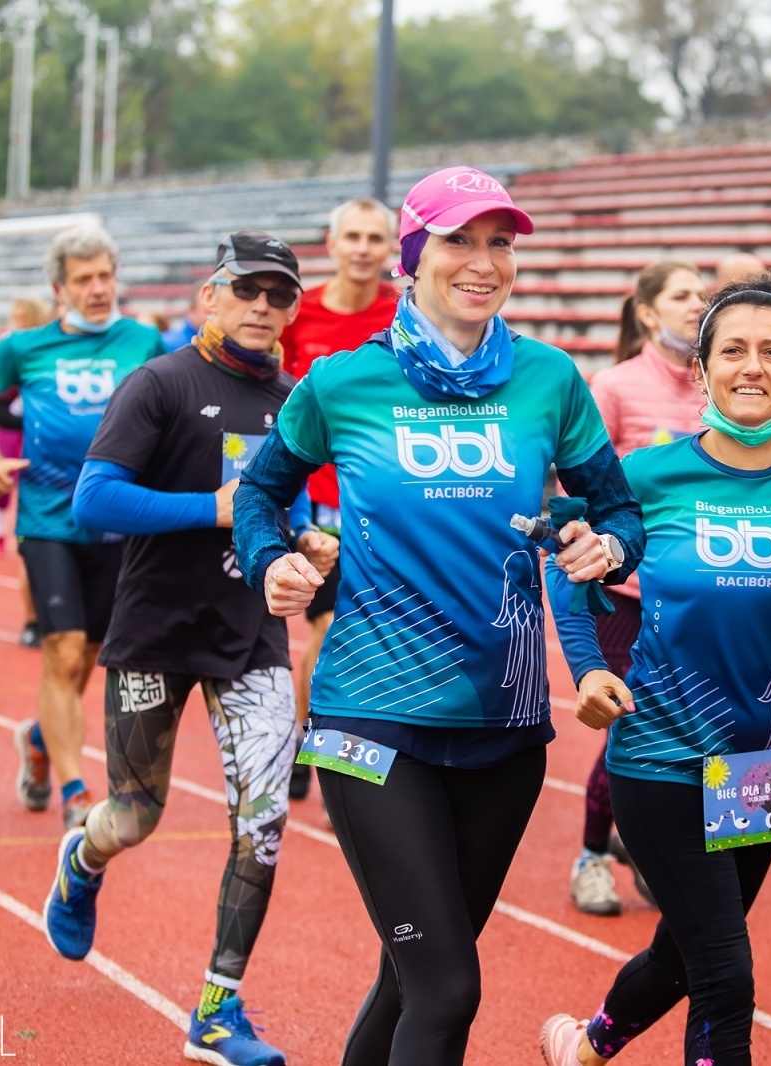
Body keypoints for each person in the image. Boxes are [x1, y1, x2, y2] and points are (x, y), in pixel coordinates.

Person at [233, 166, 644, 1066]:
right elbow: (260, 493)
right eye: (459, 240)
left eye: (500, 243)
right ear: (412, 257)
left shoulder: (549, 379)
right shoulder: (343, 382)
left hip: (505, 730)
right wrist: (273, 561)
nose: (484, 262)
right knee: (448, 988)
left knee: (410, 980)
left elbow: (618, 512)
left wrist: (605, 549)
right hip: (371, 720)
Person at [538, 279, 771, 1066]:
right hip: (661, 753)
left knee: (685, 955)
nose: (752, 366)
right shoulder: (646, 476)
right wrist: (588, 671)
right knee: (725, 974)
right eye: (732, 350)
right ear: (701, 370)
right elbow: (570, 569)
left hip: (765, 766)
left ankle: (584, 1046)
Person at [43, 232, 335, 1066]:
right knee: (135, 816)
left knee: (264, 822)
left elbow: (284, 504)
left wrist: (304, 539)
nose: (263, 307)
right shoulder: (159, 382)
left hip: (252, 634)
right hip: (157, 627)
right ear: (211, 295)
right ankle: (82, 860)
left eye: (280, 295)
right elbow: (94, 499)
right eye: (247, 290)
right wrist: (212, 509)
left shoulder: (293, 398)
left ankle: (217, 1009)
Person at [0, 224, 166, 830]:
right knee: (62, 649)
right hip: (49, 518)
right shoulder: (25, 347)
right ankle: (76, 790)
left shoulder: (144, 341)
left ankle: (40, 739)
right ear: (59, 288)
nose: (98, 289)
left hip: (120, 520)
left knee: (87, 658)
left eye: (105, 276)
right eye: (84, 280)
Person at [569, 259, 707, 917]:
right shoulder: (615, 386)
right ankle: (591, 855)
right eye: (682, 295)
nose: (697, 304)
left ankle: (655, 849)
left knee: (696, 725)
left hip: (704, 597)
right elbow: (581, 489)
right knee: (631, 718)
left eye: (702, 293)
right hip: (626, 598)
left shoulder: (720, 390)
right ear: (648, 312)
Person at [277, 195, 399, 801]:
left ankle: (349, 758)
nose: (362, 249)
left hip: (388, 507)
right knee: (330, 633)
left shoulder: (403, 315)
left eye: (374, 238)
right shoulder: (300, 317)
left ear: (391, 248)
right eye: (352, 236)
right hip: (320, 505)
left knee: (379, 638)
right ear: (331, 244)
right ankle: (318, 745)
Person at [0, 298, 53, 643]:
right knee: (33, 546)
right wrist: (31, 422)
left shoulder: (65, 351)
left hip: (71, 466)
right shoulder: (16, 354)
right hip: (31, 461)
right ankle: (32, 622)